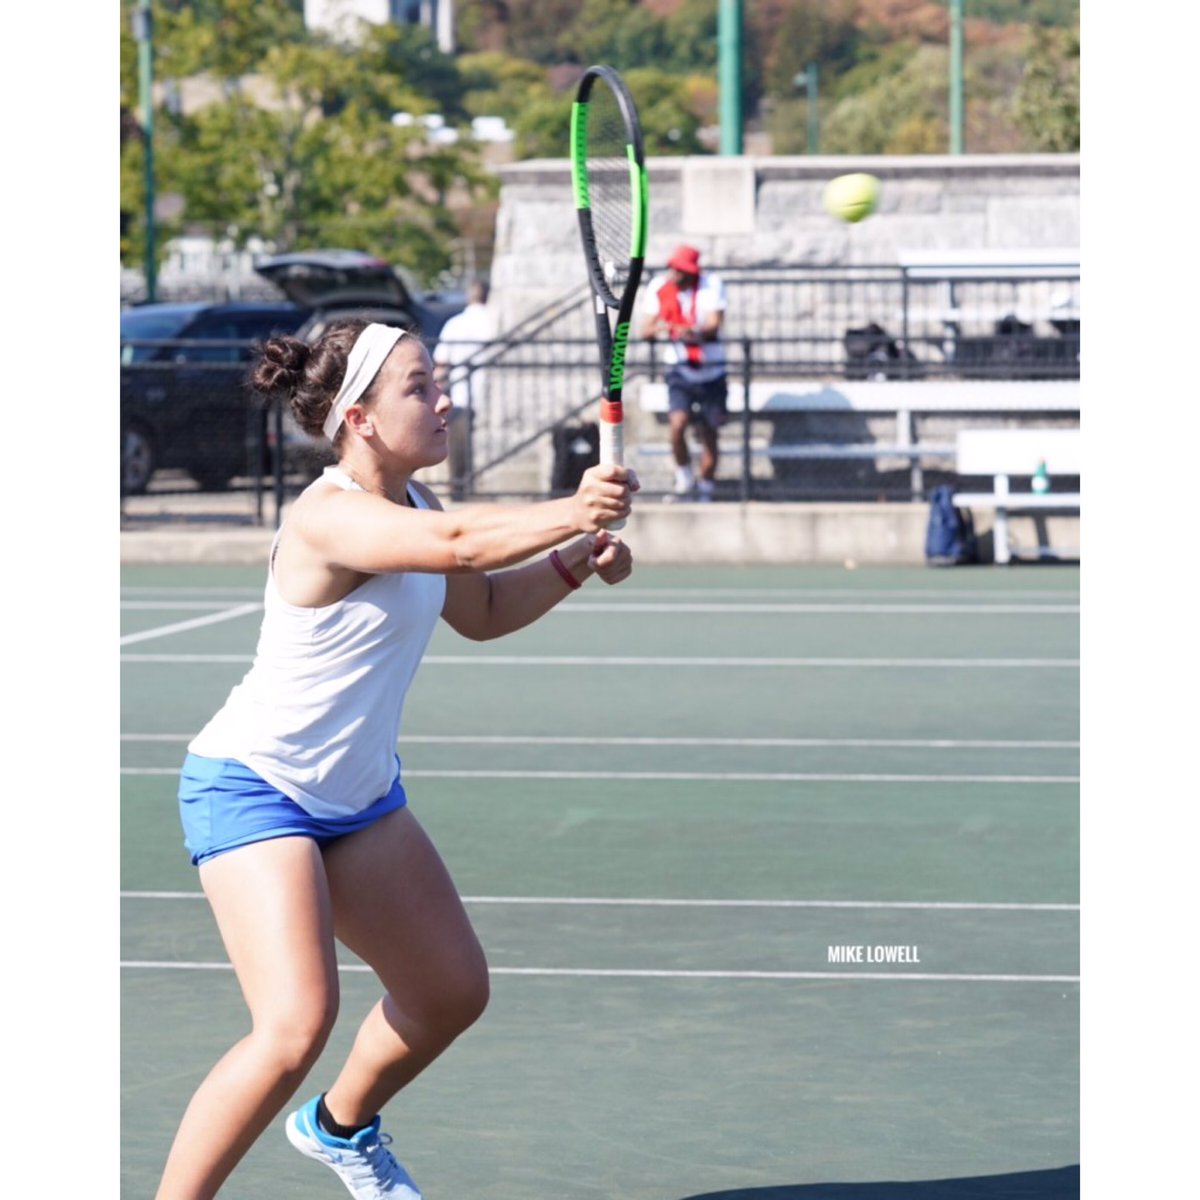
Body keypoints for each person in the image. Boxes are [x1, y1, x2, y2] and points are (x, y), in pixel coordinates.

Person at [155, 319, 637, 1200]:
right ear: (362, 418)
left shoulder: (420, 507)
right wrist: (575, 506)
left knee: (450, 990)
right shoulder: (329, 515)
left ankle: (338, 1128)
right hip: (256, 788)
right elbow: (460, 553)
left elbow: (481, 607)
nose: (445, 398)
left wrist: (575, 561)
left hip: (358, 799)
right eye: (421, 386)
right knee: (294, 1025)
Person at [640, 244, 728, 502]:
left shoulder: (711, 285)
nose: (675, 275)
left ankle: (706, 489)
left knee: (710, 431)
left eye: (681, 271)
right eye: (674, 269)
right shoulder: (661, 288)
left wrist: (695, 333)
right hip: (680, 368)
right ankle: (685, 478)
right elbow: (646, 328)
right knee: (677, 424)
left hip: (711, 368)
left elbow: (713, 323)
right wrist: (668, 328)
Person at [432, 278, 498, 498]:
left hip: (462, 395)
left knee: (459, 447)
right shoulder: (495, 321)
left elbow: (441, 364)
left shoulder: (454, 323)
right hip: (492, 394)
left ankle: (460, 487)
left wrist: (436, 394)